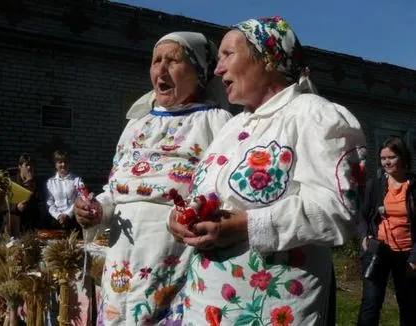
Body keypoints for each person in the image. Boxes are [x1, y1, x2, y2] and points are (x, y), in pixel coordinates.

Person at [168, 17, 367, 325]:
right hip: (204, 305)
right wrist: (183, 216)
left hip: (274, 308)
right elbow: (207, 195)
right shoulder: (231, 127)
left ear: (268, 58)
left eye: (228, 55)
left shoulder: (314, 115)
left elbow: (339, 210)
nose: (218, 69)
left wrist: (248, 226)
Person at [74, 31, 232, 325]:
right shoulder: (137, 123)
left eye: (173, 60)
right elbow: (115, 188)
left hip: (175, 251)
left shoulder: (216, 122)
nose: (161, 69)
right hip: (123, 254)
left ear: (198, 71)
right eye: (156, 60)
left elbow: (221, 191)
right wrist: (95, 210)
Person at [357, 136, 416, 326]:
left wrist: (415, 258)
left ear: (403, 157)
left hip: (407, 255)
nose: (387, 162)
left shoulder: (413, 187)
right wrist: (364, 235)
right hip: (378, 252)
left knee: (408, 305)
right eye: (383, 158)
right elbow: (363, 216)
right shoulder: (375, 185)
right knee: (370, 302)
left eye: (391, 157)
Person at [8, 153, 45, 236]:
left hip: (30, 227)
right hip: (13, 225)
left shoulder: (37, 183)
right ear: (20, 166)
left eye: (32, 165)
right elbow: (2, 204)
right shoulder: (11, 182)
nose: (30, 168)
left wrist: (30, 183)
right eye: (27, 165)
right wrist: (16, 207)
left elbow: (40, 203)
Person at [46, 149, 83, 231]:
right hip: (56, 220)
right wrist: (58, 215)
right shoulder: (50, 182)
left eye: (65, 162)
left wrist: (67, 214)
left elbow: (80, 198)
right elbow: (49, 202)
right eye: (60, 162)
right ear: (55, 165)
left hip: (73, 219)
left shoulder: (76, 180)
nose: (63, 164)